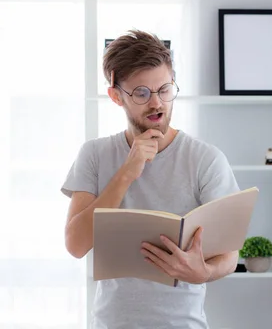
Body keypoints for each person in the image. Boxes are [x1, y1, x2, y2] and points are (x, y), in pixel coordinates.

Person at [61, 29, 240, 329]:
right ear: (116, 96)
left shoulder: (205, 159)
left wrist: (204, 273)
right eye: (142, 93)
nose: (157, 103)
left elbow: (230, 255)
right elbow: (76, 245)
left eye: (165, 90)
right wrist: (125, 174)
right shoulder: (94, 154)